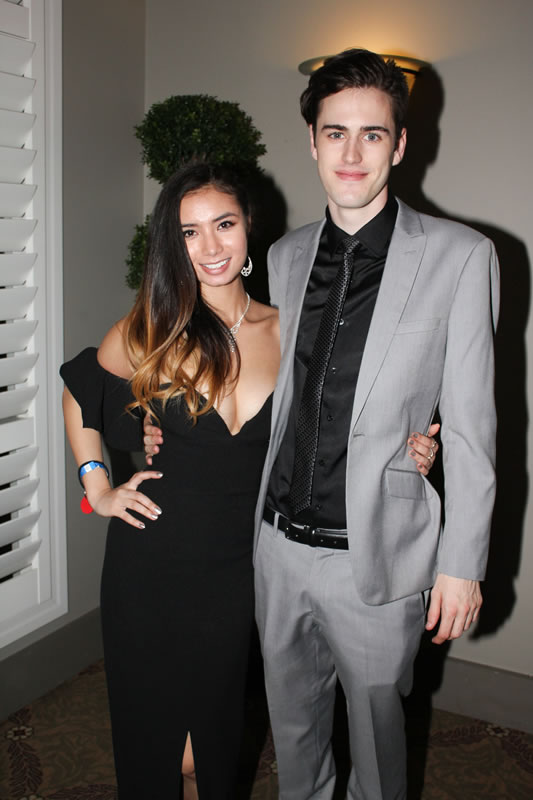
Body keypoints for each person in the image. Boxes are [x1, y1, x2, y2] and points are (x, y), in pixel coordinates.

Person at [247, 49, 499, 799]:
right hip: (277, 549)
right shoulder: (284, 256)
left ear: (399, 144)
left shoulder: (460, 256)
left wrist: (462, 562)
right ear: (312, 141)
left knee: (380, 753)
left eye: (371, 134)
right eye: (335, 133)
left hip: (377, 560)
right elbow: (263, 391)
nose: (351, 153)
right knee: (292, 739)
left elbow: (472, 426)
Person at [60, 162, 280, 799]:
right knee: (160, 748)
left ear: (248, 227)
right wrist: (98, 486)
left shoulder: (289, 328)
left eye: (224, 224)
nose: (210, 246)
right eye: (189, 232)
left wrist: (415, 447)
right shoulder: (152, 330)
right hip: (150, 564)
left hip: (239, 568)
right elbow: (80, 390)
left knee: (211, 746)